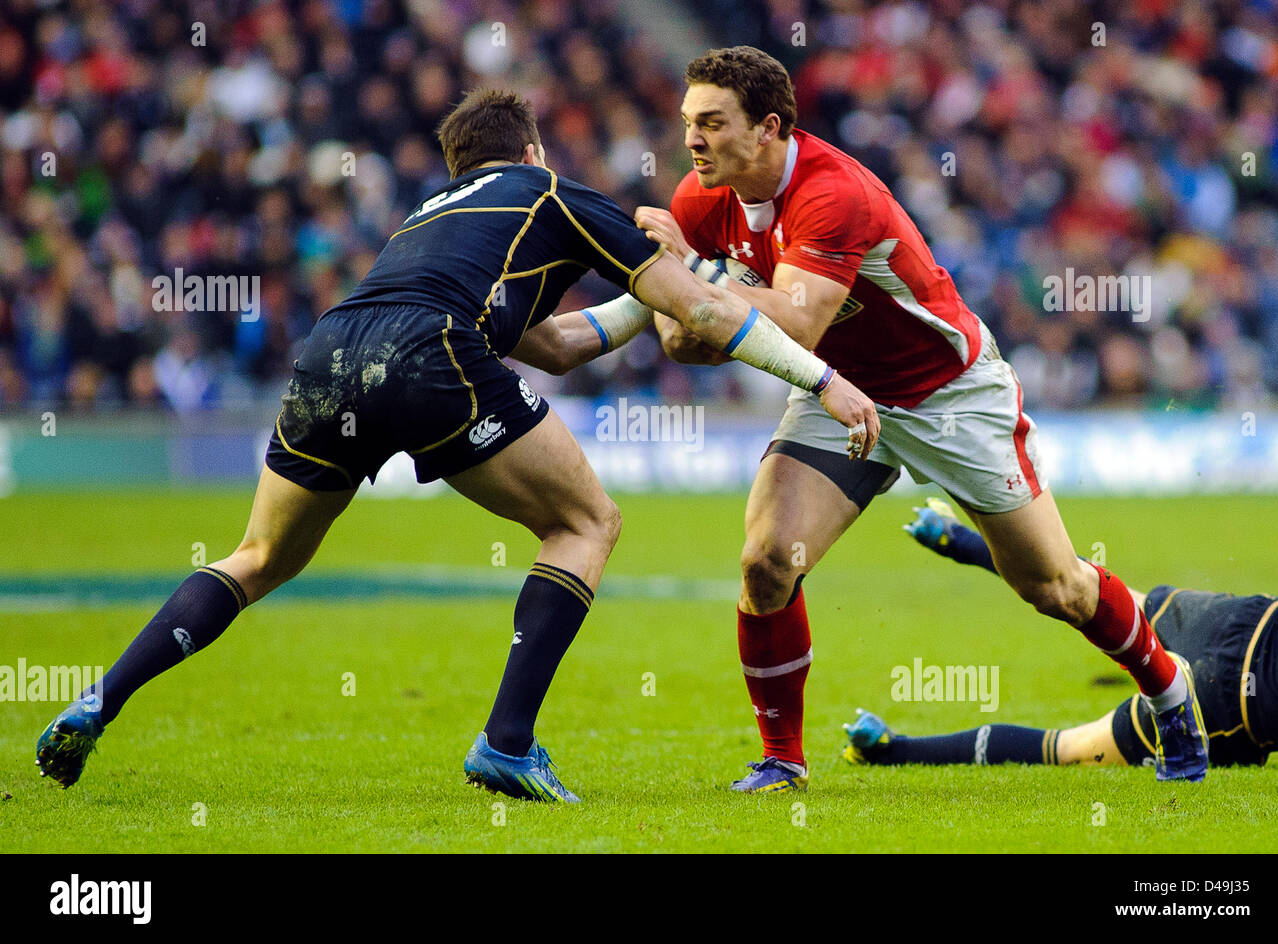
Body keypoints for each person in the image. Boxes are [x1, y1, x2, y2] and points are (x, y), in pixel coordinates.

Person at [35, 89, 878, 803]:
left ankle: (97, 702)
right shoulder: (547, 192)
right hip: (428, 351)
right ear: (533, 149)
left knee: (257, 557)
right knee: (588, 522)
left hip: (332, 351)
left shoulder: (431, 216)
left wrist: (674, 287)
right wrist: (817, 376)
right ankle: (508, 743)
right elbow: (697, 313)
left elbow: (554, 345)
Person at [625, 45, 1208, 789]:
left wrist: (695, 281)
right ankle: (782, 761)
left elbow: (794, 323)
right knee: (766, 561)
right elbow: (687, 342)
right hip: (838, 391)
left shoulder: (832, 192)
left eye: (711, 122)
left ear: (768, 127)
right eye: (687, 122)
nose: (692, 140)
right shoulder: (699, 204)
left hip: (948, 395)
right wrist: (683, 304)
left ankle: (1169, 688)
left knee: (1056, 587)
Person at [842, 499, 1278, 770]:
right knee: (1067, 748)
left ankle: (960, 540)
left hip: (1250, 619)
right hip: (1229, 701)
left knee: (1092, 594)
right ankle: (893, 750)